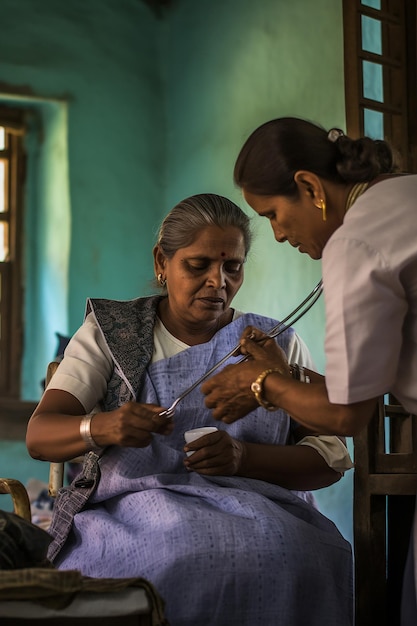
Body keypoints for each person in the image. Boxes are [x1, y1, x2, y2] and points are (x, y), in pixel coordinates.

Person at [26, 193, 354, 626]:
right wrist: (104, 426)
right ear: (162, 261)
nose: (218, 282)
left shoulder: (275, 344)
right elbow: (40, 435)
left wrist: (245, 458)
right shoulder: (112, 334)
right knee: (180, 553)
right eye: (198, 266)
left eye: (232, 267)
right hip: (133, 511)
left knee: (312, 556)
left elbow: (329, 460)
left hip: (264, 511)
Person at [200, 118, 417, 624]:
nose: (276, 234)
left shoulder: (356, 241)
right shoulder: (404, 196)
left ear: (310, 187)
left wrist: (261, 385)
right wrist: (284, 374)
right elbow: (362, 386)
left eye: (274, 214)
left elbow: (345, 415)